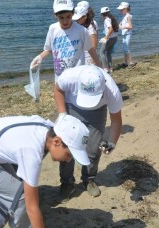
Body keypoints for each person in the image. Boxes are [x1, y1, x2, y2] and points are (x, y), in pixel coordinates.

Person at [0, 114, 90, 227]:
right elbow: (31, 206)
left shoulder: (47, 128)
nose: (68, 160)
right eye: (70, 154)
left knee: (15, 191)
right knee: (19, 198)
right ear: (57, 141)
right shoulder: (31, 151)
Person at [54, 65, 123, 200]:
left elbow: (116, 121)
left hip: (97, 112)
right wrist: (62, 114)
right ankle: (67, 183)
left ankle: (88, 180)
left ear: (104, 85)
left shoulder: (112, 91)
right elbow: (58, 89)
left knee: (93, 147)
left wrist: (112, 143)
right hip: (72, 107)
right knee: (68, 147)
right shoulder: (69, 77)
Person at [30, 0, 102, 82]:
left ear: (73, 13)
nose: (65, 21)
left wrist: (101, 71)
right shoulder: (52, 29)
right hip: (59, 78)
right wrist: (39, 57)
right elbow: (49, 49)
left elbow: (91, 51)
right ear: (55, 15)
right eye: (61, 17)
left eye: (68, 17)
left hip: (77, 77)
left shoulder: (82, 31)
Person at [99, 7, 119, 73]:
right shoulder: (112, 18)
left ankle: (105, 68)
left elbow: (111, 28)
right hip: (115, 38)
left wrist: (106, 37)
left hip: (110, 39)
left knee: (101, 52)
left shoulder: (107, 20)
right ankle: (110, 68)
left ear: (102, 14)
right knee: (108, 53)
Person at [117, 2, 135, 68]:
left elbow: (130, 26)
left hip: (128, 33)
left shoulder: (128, 16)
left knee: (126, 48)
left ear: (126, 9)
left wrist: (123, 27)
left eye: (122, 9)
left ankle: (131, 62)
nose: (120, 11)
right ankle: (125, 62)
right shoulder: (124, 16)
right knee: (124, 48)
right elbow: (121, 23)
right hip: (124, 33)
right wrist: (119, 25)